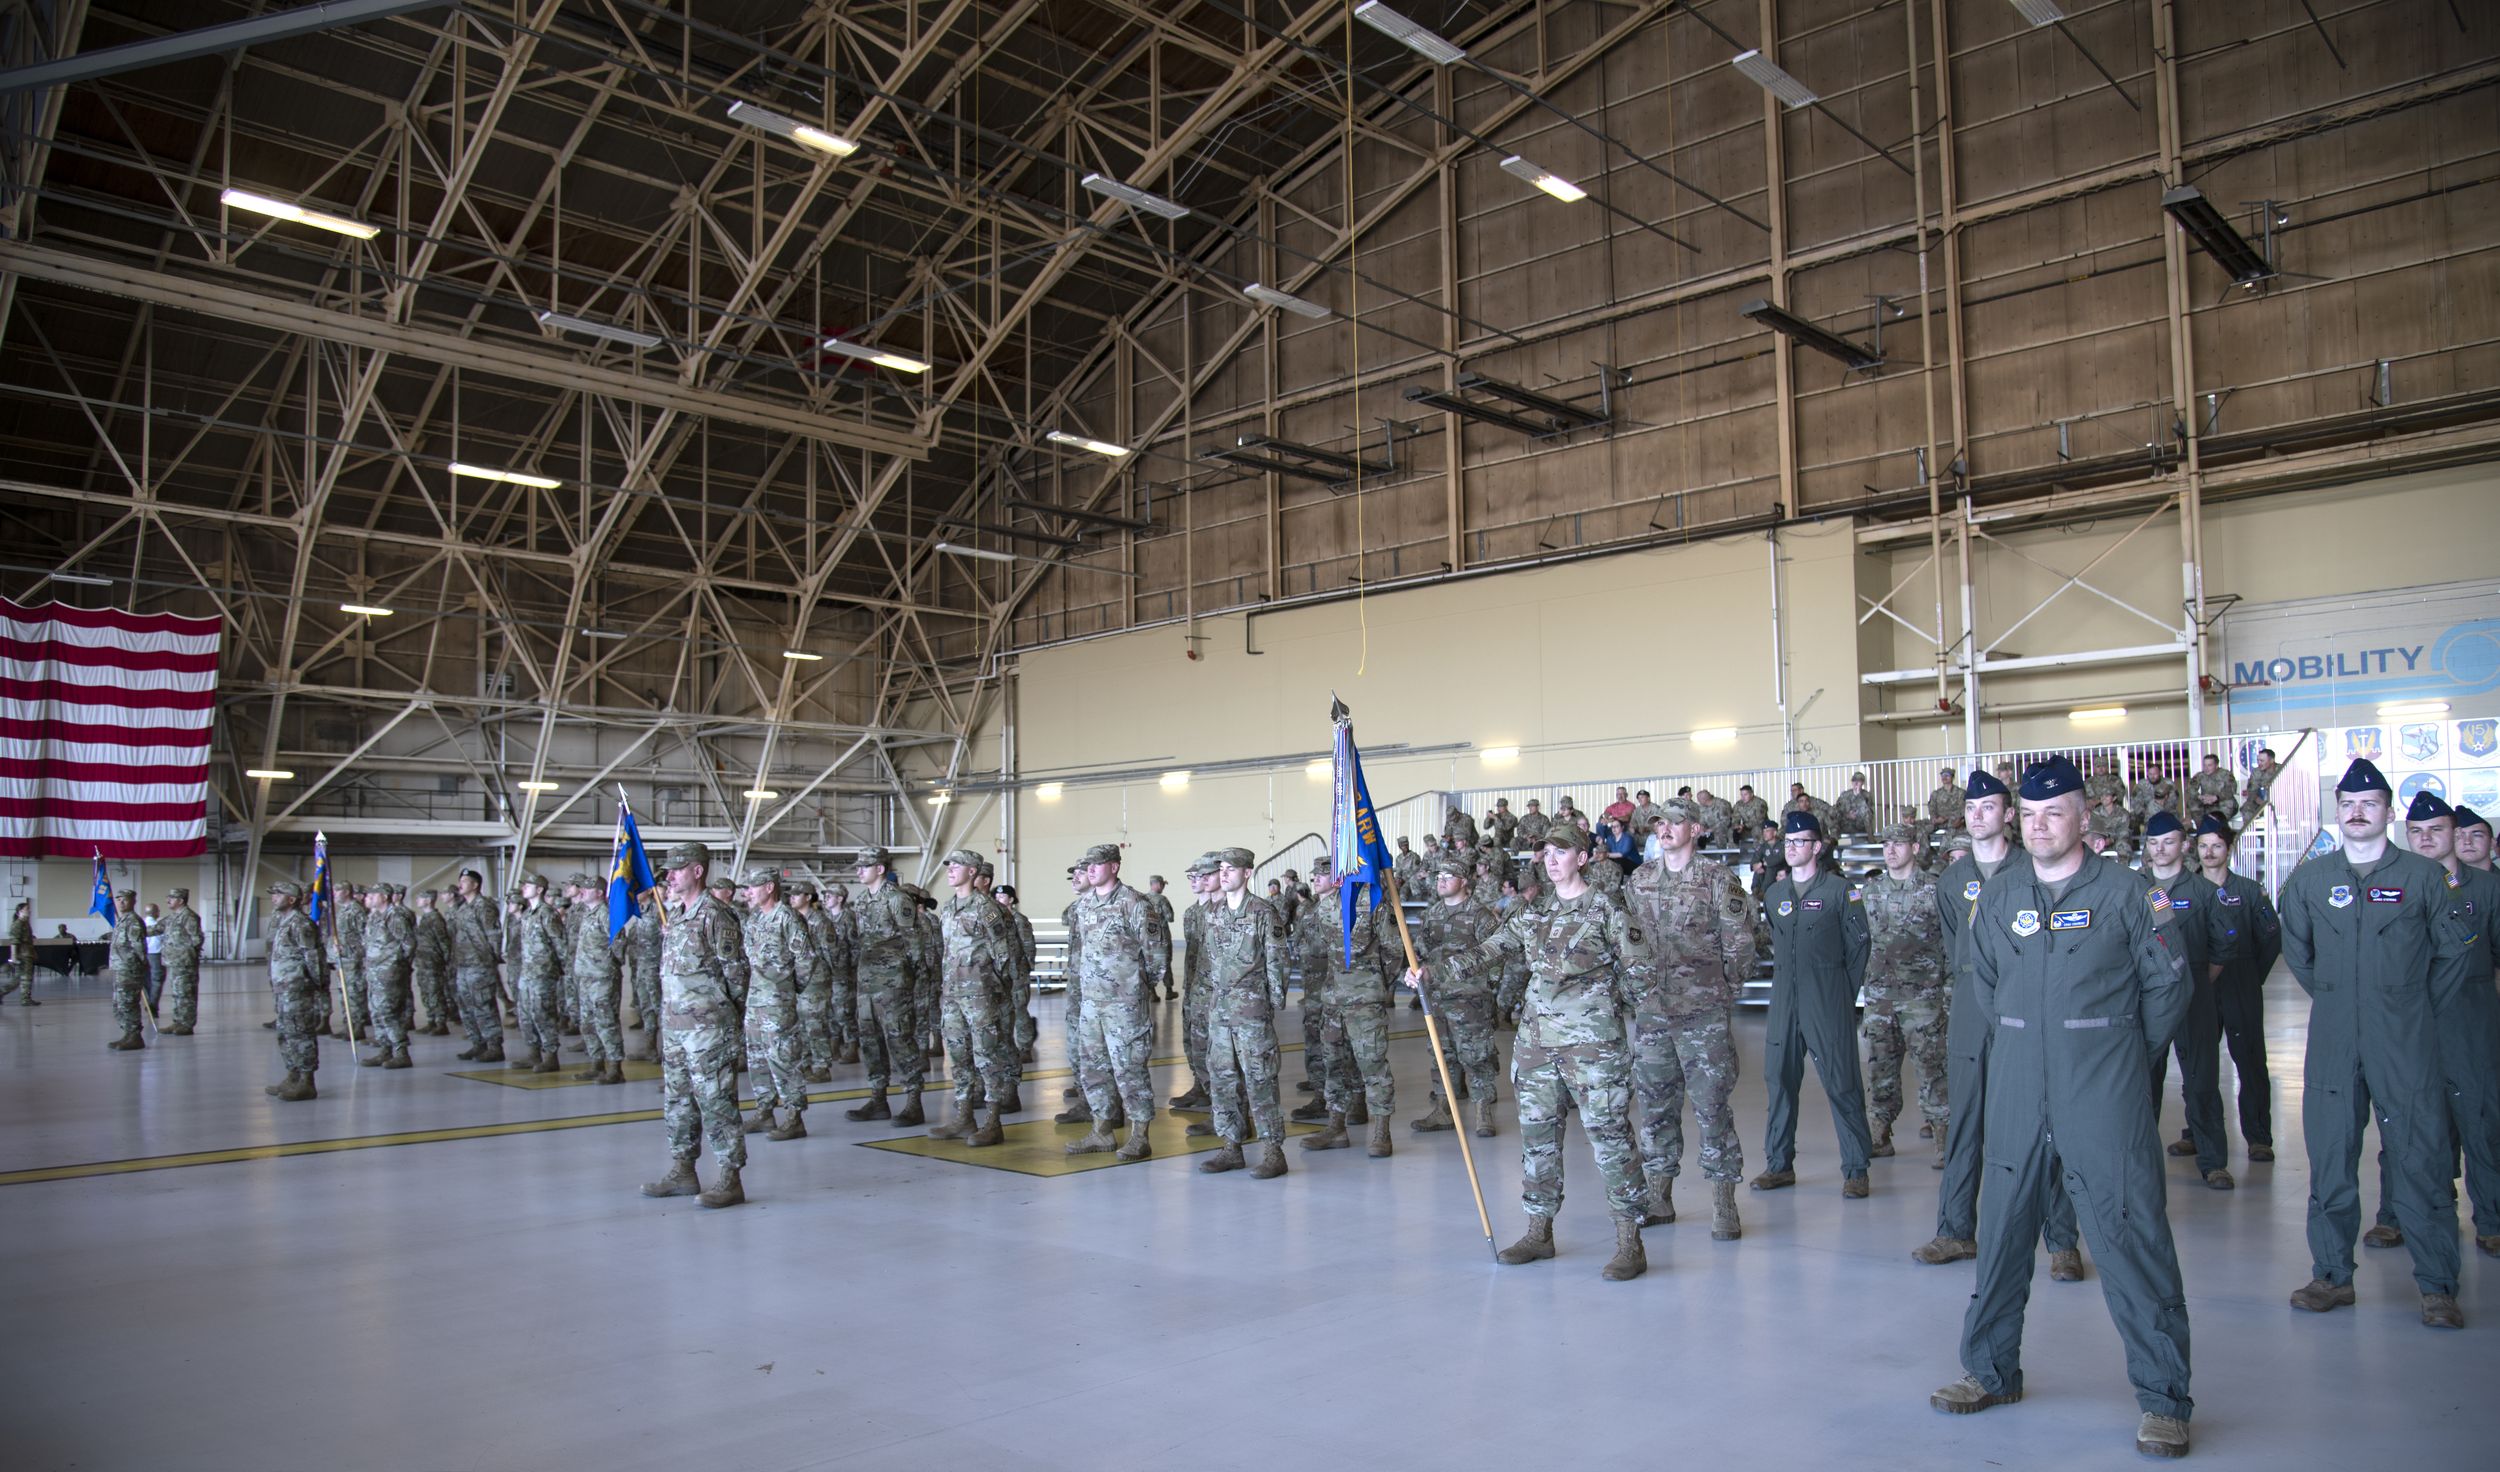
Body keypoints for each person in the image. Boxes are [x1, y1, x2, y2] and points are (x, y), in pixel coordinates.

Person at [1929, 755, 2196, 1461]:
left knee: (2128, 1235)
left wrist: (2113, 1055)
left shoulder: (2128, 894)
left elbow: (2168, 989)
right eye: (2033, 813)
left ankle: (2165, 1400)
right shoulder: (2004, 894)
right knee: (2005, 1228)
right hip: (2019, 1085)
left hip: (2099, 1091)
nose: (2043, 824)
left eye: (2058, 813)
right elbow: (1985, 983)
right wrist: (2025, 1037)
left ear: (2085, 818)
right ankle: (1989, 1371)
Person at [2280, 759, 2476, 1328]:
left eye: (2369, 802)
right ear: (2337, 812)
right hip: (2334, 1040)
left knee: (2421, 1157)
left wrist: (2409, 1003)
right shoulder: (2312, 881)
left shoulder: (2422, 877)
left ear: (2388, 811)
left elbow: (2457, 949)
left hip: (2404, 1042)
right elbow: (2298, 951)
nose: (2357, 812)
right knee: (2330, 1158)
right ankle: (2332, 1276)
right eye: (2347, 803)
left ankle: (2438, 1285)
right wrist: (2340, 997)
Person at [1412, 824, 1653, 1280]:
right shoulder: (1533, 911)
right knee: (1538, 1139)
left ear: (1582, 858)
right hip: (1537, 1045)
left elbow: (1641, 974)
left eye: (1562, 852)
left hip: (1592, 1047)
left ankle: (1629, 1240)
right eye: (1546, 852)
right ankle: (1539, 1232)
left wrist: (1604, 1003)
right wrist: (1433, 972)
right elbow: (1490, 950)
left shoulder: (1607, 910)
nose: (1551, 859)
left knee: (1610, 1140)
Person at [1916, 770, 2086, 1280]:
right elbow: (1955, 948)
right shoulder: (1951, 880)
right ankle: (1954, 1230)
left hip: (2026, 1002)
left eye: (1989, 807)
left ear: (2009, 814)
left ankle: (2061, 1241)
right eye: (1971, 808)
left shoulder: (2033, 867)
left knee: (2045, 1118)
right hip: (1970, 1003)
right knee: (1964, 1117)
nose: (1977, 816)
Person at [2375, 793, 2500, 1260]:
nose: (2426, 839)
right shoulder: (2392, 886)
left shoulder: (2487, 891)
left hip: (2471, 1024)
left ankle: (2491, 1219)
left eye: (2437, 830)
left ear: (2454, 833)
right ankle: (2396, 1215)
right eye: (2416, 832)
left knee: (2482, 1123)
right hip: (2409, 1026)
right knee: (2403, 1126)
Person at [1623, 798, 1753, 1239]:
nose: (1665, 828)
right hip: (1653, 1014)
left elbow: (1740, 942)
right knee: (1656, 1108)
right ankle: (1660, 1195)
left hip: (1703, 1015)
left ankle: (1723, 1203)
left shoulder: (1717, 879)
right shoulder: (1639, 880)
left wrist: (1723, 992)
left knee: (1711, 1107)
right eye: (1660, 822)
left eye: (1675, 822)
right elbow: (1627, 941)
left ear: (1695, 830)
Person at [1751, 813, 1873, 1197]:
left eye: (1800, 841)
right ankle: (1779, 1164)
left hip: (1827, 997)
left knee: (1842, 1081)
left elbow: (1860, 946)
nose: (1791, 847)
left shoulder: (1841, 891)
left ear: (1817, 847)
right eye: (1788, 841)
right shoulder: (1774, 894)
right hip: (1785, 998)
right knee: (1779, 1081)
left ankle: (1856, 1168)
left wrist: (1840, 991)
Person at [639, 841, 748, 1208]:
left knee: (716, 1102)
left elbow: (737, 975)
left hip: (708, 1029)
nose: (669, 876)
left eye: (677, 869)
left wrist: (723, 1017)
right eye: (668, 870)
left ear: (697, 871)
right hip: (676, 1028)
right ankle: (684, 1170)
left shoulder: (715, 915)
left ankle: (730, 1177)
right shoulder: (678, 915)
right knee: (678, 1101)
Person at [2138, 813, 2239, 1189]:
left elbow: (2224, 944)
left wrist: (2195, 982)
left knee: (2202, 1079)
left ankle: (2213, 1162)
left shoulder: (2202, 892)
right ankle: (2141, 1165)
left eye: (2168, 841)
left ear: (2184, 845)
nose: (2160, 849)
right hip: (2145, 996)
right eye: (2153, 842)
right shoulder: (2132, 889)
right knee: (2144, 1080)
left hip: (2193, 991)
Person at [1292, 865, 1400, 1157]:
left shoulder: (1374, 901)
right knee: (1333, 1064)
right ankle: (1336, 1126)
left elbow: (1394, 951)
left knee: (1373, 1064)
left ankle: (1381, 1131)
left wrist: (1373, 985)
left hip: (1364, 1000)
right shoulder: (1324, 907)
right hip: (1332, 999)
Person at [1198, 847, 1292, 1178]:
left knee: (1260, 1078)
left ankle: (1272, 1150)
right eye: (1220, 869)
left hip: (1252, 1012)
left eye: (1230, 869)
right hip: (1220, 1011)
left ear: (1247, 873)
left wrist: (1272, 1003)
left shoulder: (1263, 912)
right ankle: (1231, 1146)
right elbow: (1209, 960)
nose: (1223, 874)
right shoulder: (1214, 913)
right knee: (1223, 1078)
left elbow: (1277, 961)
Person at [1065, 842, 1161, 1159]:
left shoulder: (1134, 904)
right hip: (1091, 1005)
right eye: (1086, 865)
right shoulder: (1083, 906)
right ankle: (1102, 1131)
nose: (1089, 869)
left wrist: (1136, 990)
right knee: (1094, 1070)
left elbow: (1156, 956)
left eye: (1096, 864)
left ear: (1114, 867)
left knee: (1130, 1071)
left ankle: (1139, 1135)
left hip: (1125, 1007)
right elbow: (1079, 954)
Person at [2195, 816, 2279, 1167]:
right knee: (2199, 1066)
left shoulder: (2248, 890)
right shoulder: (2187, 890)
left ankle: (2258, 1136)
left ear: (2228, 849)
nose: (2209, 852)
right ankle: (2195, 1132)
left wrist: (2251, 977)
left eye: (2216, 845)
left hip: (2241, 981)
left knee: (2250, 1062)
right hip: (2201, 987)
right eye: (2203, 846)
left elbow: (2271, 938)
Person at [1862, 824, 1950, 1161]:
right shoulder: (1870, 891)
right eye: (1886, 844)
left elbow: (1948, 942)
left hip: (1922, 997)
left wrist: (1945, 987)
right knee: (1880, 1068)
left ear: (1914, 847)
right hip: (1881, 996)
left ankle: (1943, 1135)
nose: (1891, 850)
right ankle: (1880, 1133)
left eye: (1898, 844)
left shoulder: (1932, 890)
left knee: (1932, 1068)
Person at [1408, 854, 1505, 1140]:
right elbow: (1421, 949)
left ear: (1463, 881)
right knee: (1441, 1054)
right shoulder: (1433, 914)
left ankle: (1482, 1110)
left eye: (1447, 877)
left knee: (1476, 1056)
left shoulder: (1480, 914)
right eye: (1438, 877)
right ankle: (1443, 1108)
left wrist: (1487, 988)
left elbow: (1497, 953)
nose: (1441, 881)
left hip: (1470, 999)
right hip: (1437, 996)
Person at [928, 849, 1019, 1147]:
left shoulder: (988, 909)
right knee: (958, 1055)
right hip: (953, 994)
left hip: (981, 994)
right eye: (949, 865)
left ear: (972, 871)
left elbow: (1004, 953)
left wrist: (995, 989)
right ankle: (964, 1116)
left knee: (987, 1056)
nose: (950, 869)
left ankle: (993, 1121)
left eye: (956, 865)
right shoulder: (949, 907)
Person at [844, 848, 927, 1127]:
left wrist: (912, 980)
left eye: (864, 866)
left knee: (899, 1039)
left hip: (893, 983)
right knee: (870, 1041)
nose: (859, 871)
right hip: (867, 982)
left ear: (880, 868)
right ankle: (878, 1099)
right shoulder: (862, 901)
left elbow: (913, 941)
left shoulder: (897, 899)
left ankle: (913, 1101)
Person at [264, 880, 323, 1100]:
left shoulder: (301, 924)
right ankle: (293, 1074)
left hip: (298, 987)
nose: (273, 897)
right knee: (285, 1032)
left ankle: (307, 1081)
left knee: (301, 1032)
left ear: (291, 899)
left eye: (278, 894)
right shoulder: (283, 921)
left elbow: (313, 957)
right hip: (283, 987)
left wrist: (317, 984)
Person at [563, 874, 625, 1085]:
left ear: (599, 893)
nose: (582, 892)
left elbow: (618, 942)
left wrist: (609, 965)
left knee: (606, 1022)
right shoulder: (588, 914)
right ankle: (596, 1064)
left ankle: (615, 1068)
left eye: (587, 889)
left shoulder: (606, 914)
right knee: (588, 1024)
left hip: (602, 978)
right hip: (586, 978)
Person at [1171, 858, 1219, 1116]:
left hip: (1212, 989)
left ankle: (1215, 1096)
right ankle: (1200, 1086)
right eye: (1191, 877)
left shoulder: (1221, 910)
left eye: (1199, 876)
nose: (1194, 881)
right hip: (1193, 985)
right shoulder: (1192, 913)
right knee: (1192, 1040)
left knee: (1213, 1046)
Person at [508, 872, 565, 1074]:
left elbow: (559, 943)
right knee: (525, 1014)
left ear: (539, 889)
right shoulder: (527, 915)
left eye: (529, 885)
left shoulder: (547, 914)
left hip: (543, 972)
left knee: (543, 1014)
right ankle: (533, 1052)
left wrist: (561, 970)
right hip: (527, 972)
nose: (524, 888)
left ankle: (550, 1056)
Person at [447, 869, 505, 1062]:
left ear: (475, 885)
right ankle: (477, 1043)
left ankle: (494, 1046)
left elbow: (493, 935)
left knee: (484, 1005)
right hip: (463, 964)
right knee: (466, 1006)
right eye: (459, 880)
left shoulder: (484, 906)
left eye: (465, 881)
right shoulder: (462, 908)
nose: (460, 884)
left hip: (480, 964)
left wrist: (492, 958)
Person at [360, 883, 416, 1069]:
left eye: (373, 894)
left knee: (388, 1011)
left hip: (389, 972)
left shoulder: (395, 916)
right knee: (376, 1011)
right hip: (374, 972)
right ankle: (385, 1050)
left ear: (384, 897)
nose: (369, 897)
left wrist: (398, 964)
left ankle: (401, 1052)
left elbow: (408, 943)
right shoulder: (374, 917)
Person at [106, 888, 149, 1051]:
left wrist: (140, 967)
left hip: (130, 969)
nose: (121, 902)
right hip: (120, 968)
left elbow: (139, 948)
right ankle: (128, 1034)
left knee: (128, 1002)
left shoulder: (133, 921)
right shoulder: (122, 920)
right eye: (118, 899)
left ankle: (135, 1037)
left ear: (133, 901)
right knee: (119, 1003)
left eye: (125, 899)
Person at [157, 887, 204, 1034]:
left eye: (171, 898)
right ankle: (177, 1022)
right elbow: (155, 929)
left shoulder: (189, 917)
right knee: (177, 993)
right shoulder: (172, 917)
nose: (167, 900)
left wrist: (181, 952)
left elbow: (197, 939)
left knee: (186, 994)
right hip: (174, 963)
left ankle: (187, 1024)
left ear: (181, 900)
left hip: (185, 963)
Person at [410, 889, 453, 1036]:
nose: (417, 901)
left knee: (435, 992)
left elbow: (444, 941)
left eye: (420, 897)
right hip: (423, 962)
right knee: (426, 992)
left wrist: (446, 960)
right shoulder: (425, 918)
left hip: (433, 962)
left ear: (428, 900)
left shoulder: (435, 919)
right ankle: (431, 1020)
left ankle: (441, 1023)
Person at [1143, 874, 1178, 1002]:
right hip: (1162, 937)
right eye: (1162, 884)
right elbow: (1170, 917)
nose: (1163, 887)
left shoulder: (1143, 899)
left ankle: (1152, 992)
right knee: (1166, 961)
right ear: (1157, 884)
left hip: (1148, 938)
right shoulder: (1162, 900)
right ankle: (1169, 990)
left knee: (1149, 963)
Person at [2186, 754, 2237, 829]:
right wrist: (2200, 797)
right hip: (2206, 803)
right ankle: (2201, 831)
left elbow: (2232, 789)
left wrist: (2216, 797)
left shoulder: (2225, 774)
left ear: (2216, 765)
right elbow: (2190, 788)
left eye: (2209, 765)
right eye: (2205, 765)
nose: (2206, 768)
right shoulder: (2200, 775)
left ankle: (2221, 830)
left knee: (2229, 802)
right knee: (2193, 803)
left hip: (2221, 803)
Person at [4, 899, 36, 1005]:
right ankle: (25, 999)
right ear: (20, 911)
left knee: (18, 979)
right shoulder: (18, 924)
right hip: (23, 955)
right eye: (27, 909)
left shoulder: (25, 923)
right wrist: (14, 956)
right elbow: (14, 942)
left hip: (27, 954)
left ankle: (1, 992)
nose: (29, 911)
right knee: (26, 977)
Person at [2240, 747, 2280, 827]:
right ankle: (2251, 834)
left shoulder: (2281, 770)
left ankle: (2274, 832)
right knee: (2246, 808)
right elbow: (2252, 790)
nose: (2259, 763)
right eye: (2258, 760)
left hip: (2279, 802)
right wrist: (2256, 798)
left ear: (2271, 761)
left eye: (2262, 761)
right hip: (2259, 802)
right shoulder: (2256, 772)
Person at [1834, 773, 1875, 838]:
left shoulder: (1866, 795)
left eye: (1858, 781)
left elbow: (1870, 812)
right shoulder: (1844, 795)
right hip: (1846, 824)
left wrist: (1859, 795)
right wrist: (1847, 815)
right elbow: (1836, 811)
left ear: (1862, 783)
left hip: (1860, 825)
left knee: (1867, 813)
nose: (1856, 783)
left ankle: (1870, 839)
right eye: (1854, 781)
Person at [142, 903, 166, 1016]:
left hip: (142, 954)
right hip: (156, 955)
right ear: (155, 912)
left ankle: (148, 1003)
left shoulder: (140, 923)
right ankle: (153, 1005)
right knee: (157, 981)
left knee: (146, 981)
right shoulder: (158, 925)